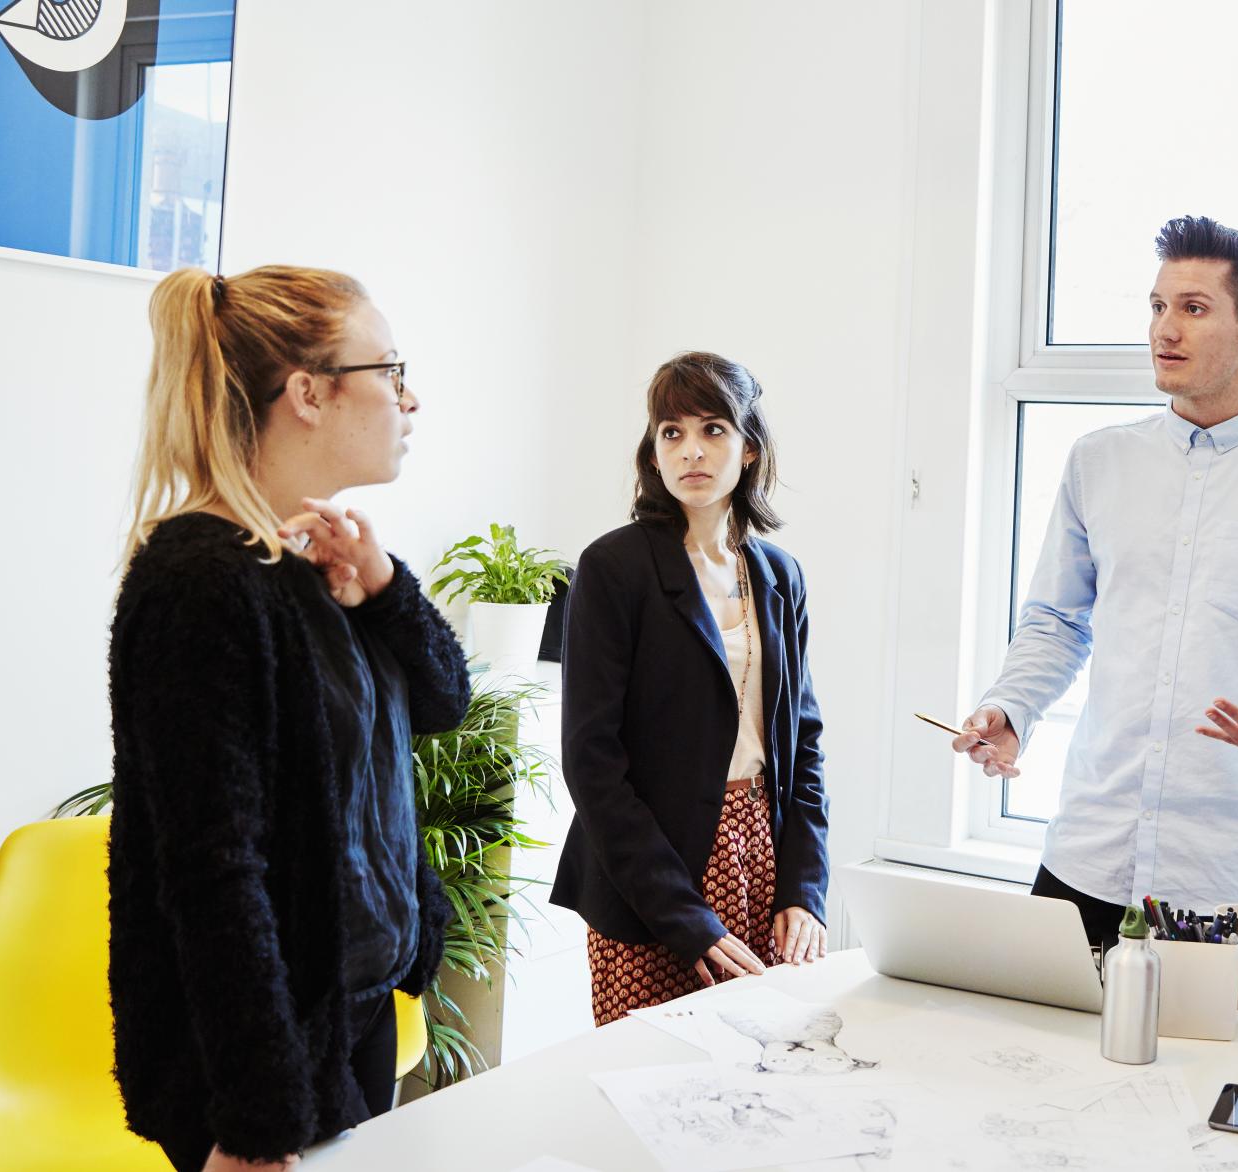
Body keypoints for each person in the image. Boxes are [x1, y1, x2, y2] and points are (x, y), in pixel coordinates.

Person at [953, 216, 1238, 943]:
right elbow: (1057, 623)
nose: (1166, 329)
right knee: (1038, 1059)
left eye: (1193, 309)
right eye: (1158, 307)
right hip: (1087, 858)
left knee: (1220, 1063)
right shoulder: (1097, 461)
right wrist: (1012, 708)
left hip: (1237, 875)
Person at [108, 267, 470, 1172]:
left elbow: (442, 702)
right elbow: (213, 870)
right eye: (391, 369)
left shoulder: (318, 562)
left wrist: (385, 591)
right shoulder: (199, 582)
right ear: (308, 392)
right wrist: (256, 1118)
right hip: (261, 1066)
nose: (409, 397)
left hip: (354, 1018)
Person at [553, 351, 830, 1023]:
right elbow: (592, 762)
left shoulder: (778, 574)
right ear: (652, 452)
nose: (691, 451)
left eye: (713, 429)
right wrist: (684, 914)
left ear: (751, 449)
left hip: (758, 851)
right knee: (646, 1078)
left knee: (756, 1079)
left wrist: (804, 889)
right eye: (671, 432)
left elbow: (805, 745)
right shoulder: (612, 567)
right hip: (648, 870)